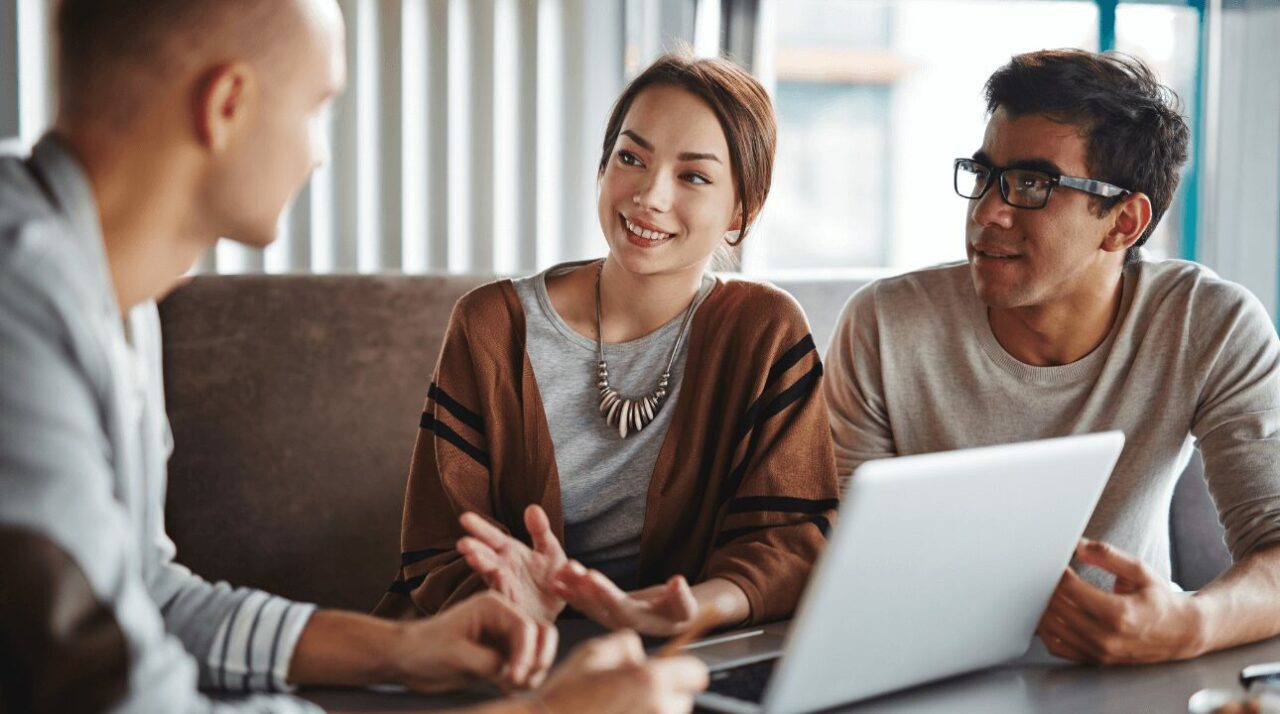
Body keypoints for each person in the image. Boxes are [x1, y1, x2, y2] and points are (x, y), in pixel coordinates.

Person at [0, 0, 706, 711]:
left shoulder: (106, 290)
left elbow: (145, 599)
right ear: (227, 106)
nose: (320, 151)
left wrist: (401, 648)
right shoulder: (18, 305)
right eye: (316, 108)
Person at [824, 48, 1280, 665]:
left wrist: (1190, 624)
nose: (988, 211)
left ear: (1123, 222)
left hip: (1128, 679)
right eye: (983, 175)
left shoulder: (1208, 324)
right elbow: (844, 560)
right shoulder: (883, 325)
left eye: (1033, 185)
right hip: (918, 671)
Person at [375, 52, 840, 637]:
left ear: (742, 210)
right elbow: (439, 542)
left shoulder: (765, 330)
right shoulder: (491, 325)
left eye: (693, 175)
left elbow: (792, 540)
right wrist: (521, 609)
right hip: (495, 651)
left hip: (679, 658)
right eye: (631, 157)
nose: (649, 195)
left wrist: (693, 608)